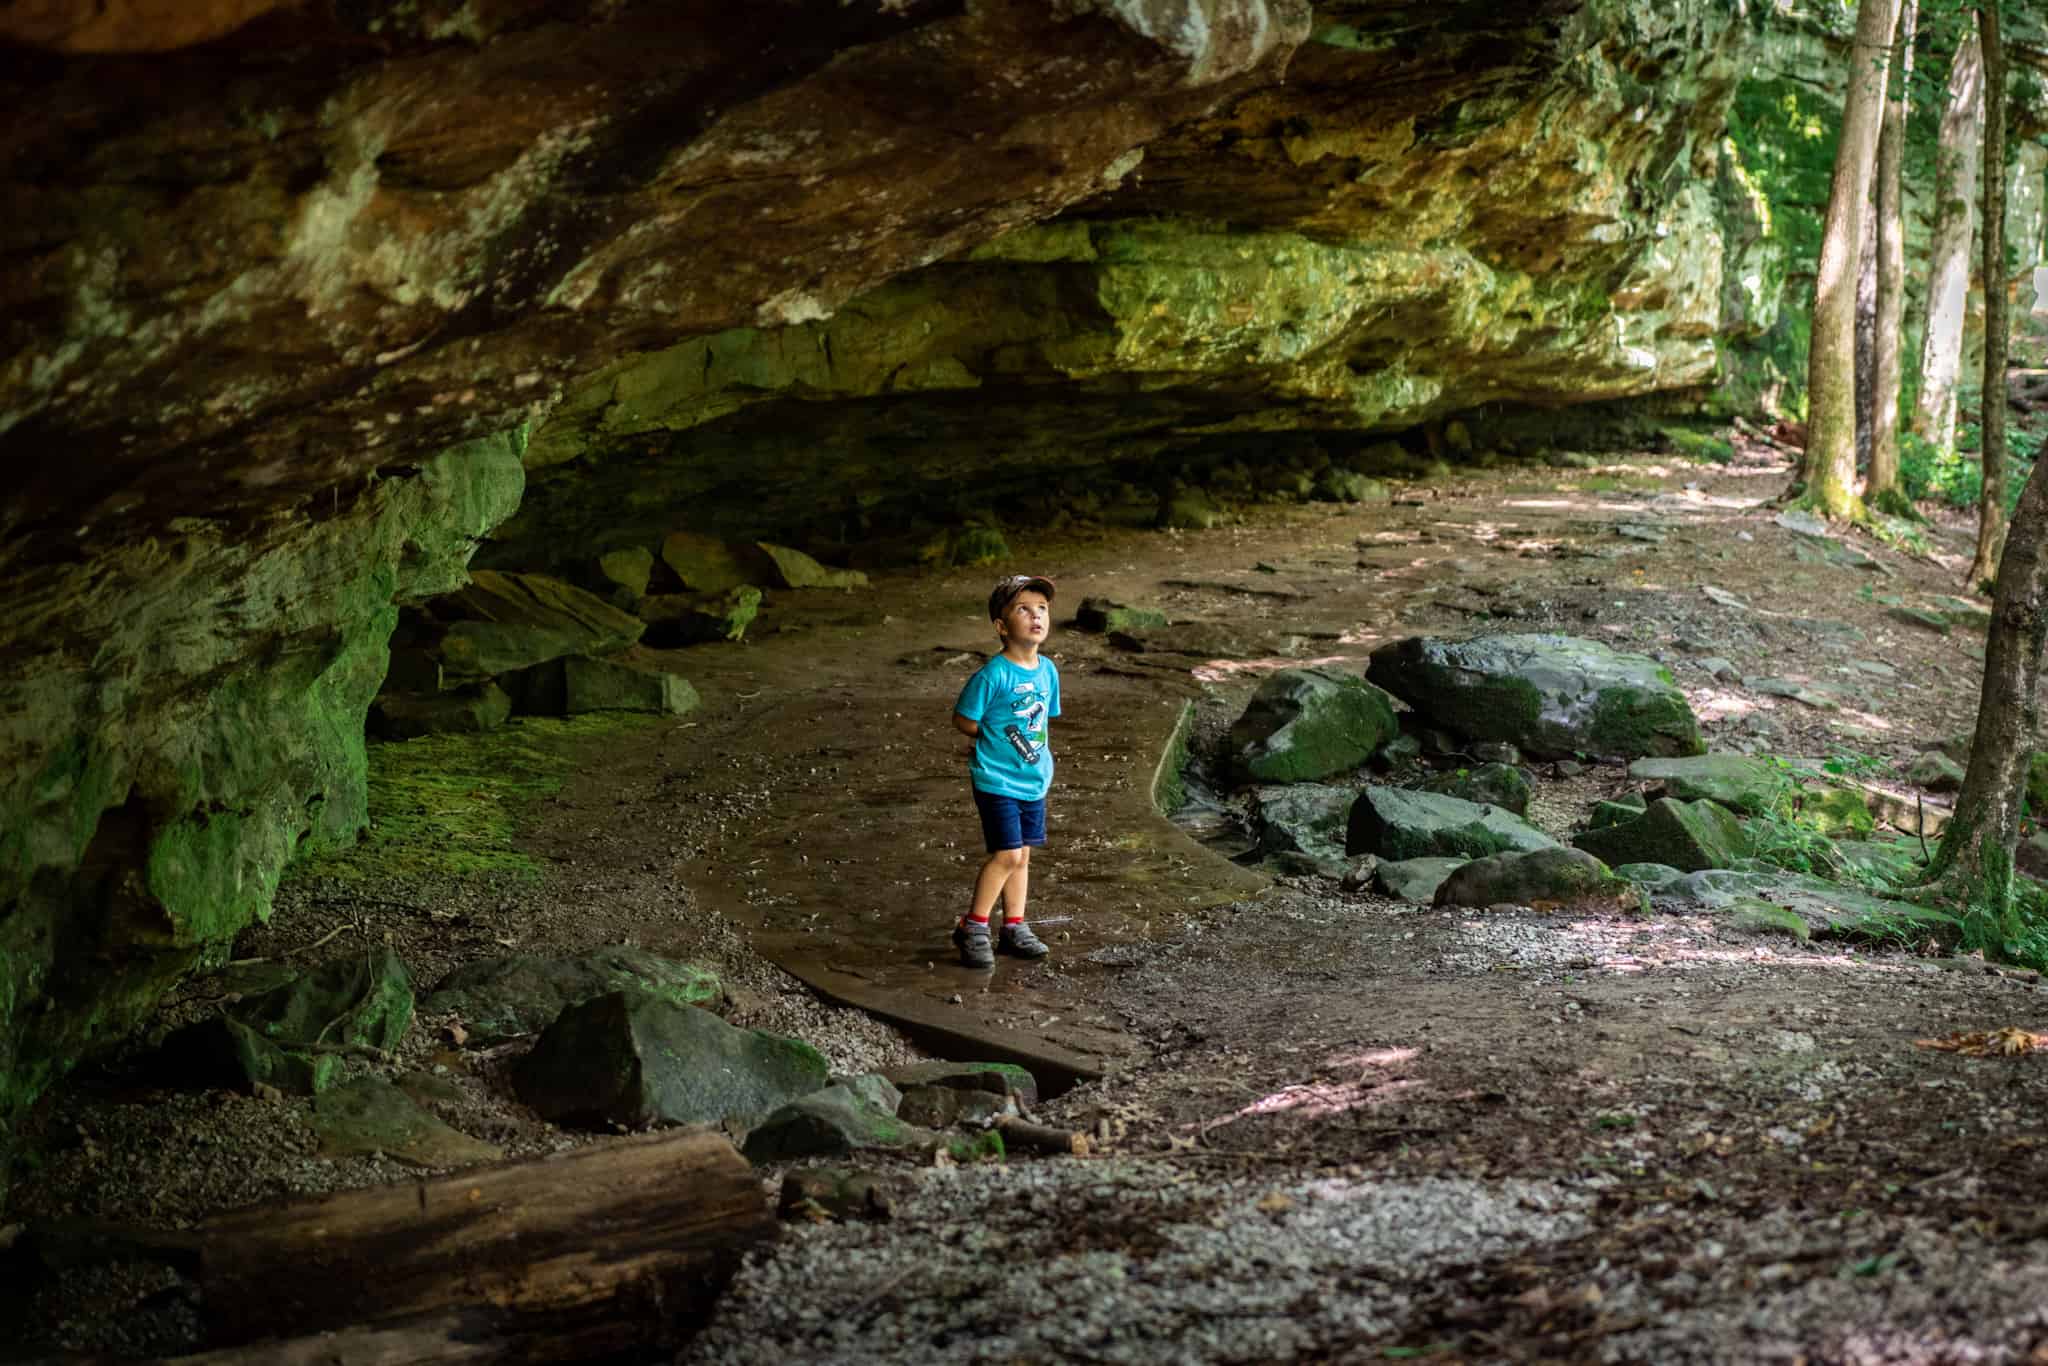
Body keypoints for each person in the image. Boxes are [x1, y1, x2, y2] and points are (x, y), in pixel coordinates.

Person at [950, 573, 1062, 968]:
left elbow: (1044, 721)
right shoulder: (993, 675)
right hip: (996, 778)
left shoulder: (1047, 670)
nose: (1036, 616)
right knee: (1007, 854)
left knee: (1024, 855)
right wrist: (994, 737)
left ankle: (1014, 926)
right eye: (1023, 609)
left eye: (1042, 608)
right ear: (1001, 626)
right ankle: (974, 925)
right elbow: (964, 719)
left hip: (1033, 778)